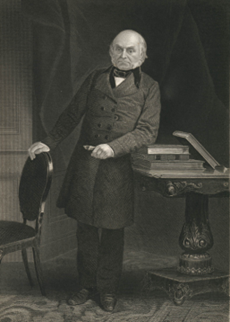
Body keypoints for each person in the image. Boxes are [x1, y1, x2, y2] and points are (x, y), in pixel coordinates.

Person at [28, 29, 161, 312]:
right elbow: (71, 114)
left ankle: (108, 290)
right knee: (85, 228)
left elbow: (147, 132)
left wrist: (113, 148)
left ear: (143, 55)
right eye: (118, 49)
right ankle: (86, 285)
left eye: (131, 50)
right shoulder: (95, 78)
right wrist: (47, 143)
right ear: (110, 51)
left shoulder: (150, 87)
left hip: (118, 169)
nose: (123, 55)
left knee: (112, 231)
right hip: (86, 164)